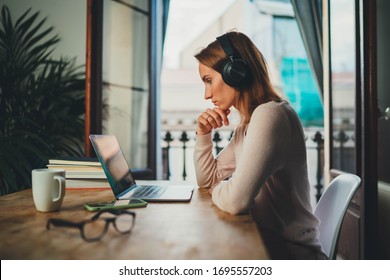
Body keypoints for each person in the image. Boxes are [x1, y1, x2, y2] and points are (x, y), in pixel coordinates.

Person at [193, 31, 326, 260]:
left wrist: (222, 190)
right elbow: (208, 180)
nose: (207, 95)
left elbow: (236, 201)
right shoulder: (248, 124)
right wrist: (203, 134)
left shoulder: (270, 115)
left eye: (208, 80)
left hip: (291, 256)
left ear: (236, 73)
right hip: (266, 246)